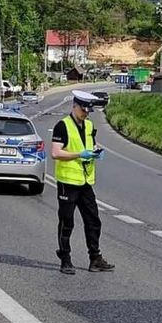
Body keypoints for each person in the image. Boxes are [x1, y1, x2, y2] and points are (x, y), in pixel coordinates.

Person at [51, 90, 115, 275]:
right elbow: (56, 152)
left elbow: (91, 144)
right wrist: (80, 154)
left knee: (93, 221)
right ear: (75, 106)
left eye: (88, 111)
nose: (86, 114)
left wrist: (96, 151)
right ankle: (65, 259)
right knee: (67, 222)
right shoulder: (62, 126)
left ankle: (95, 259)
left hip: (85, 181)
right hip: (68, 182)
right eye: (83, 110)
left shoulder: (89, 125)